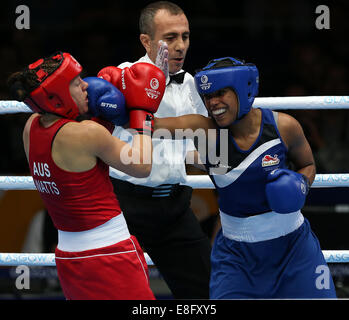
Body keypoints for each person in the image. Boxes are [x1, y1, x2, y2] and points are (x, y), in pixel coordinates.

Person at [155, 57, 337, 298]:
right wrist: (153, 86)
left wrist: (300, 185)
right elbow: (150, 126)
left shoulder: (283, 126)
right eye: (208, 96)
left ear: (243, 90)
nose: (213, 103)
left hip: (295, 250)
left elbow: (308, 164)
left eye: (220, 93)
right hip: (237, 257)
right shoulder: (205, 131)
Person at [7, 51, 166, 299]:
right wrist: (143, 116)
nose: (85, 86)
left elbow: (82, 155)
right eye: (76, 82)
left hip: (68, 256)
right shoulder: (87, 134)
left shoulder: (31, 128)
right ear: (58, 94)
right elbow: (142, 166)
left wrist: (105, 120)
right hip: (109, 252)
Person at [97, 1, 211, 299]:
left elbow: (200, 148)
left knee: (205, 292)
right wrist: (152, 83)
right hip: (124, 206)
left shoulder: (192, 85)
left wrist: (230, 163)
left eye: (185, 37)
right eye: (170, 37)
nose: (180, 46)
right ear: (146, 41)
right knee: (117, 294)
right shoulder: (120, 76)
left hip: (174, 206)